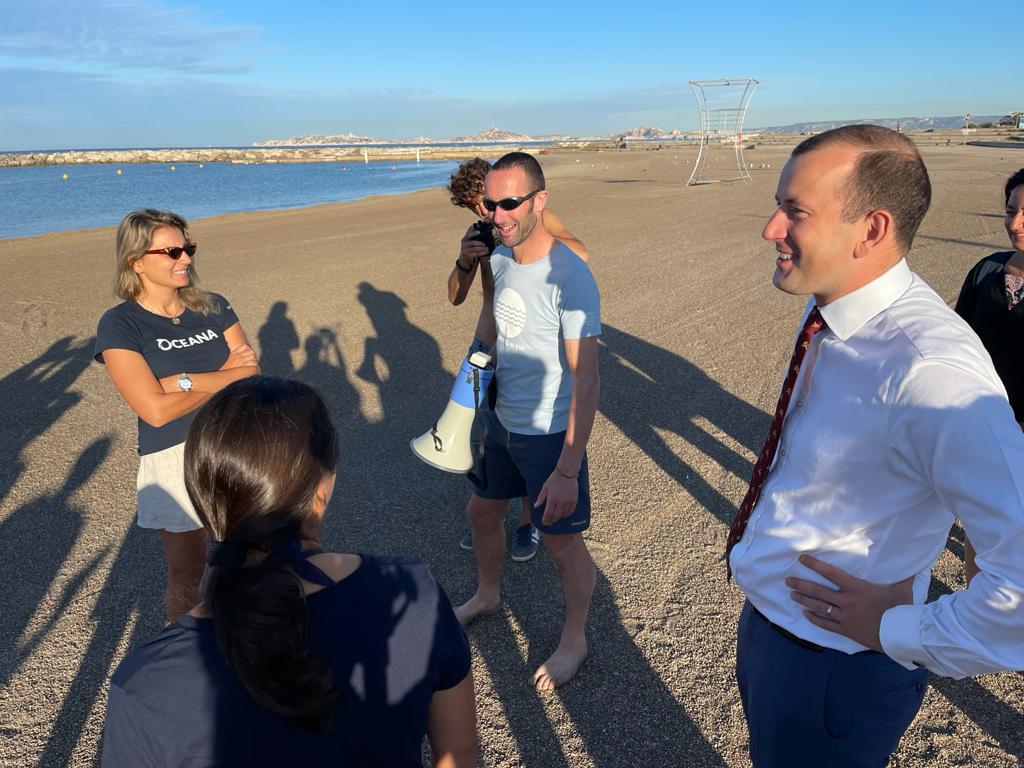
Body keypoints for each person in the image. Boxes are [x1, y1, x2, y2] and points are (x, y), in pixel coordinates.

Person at [726, 125, 1024, 767]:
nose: (771, 229)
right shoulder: (836, 320)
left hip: (836, 668)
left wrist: (901, 629)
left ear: (871, 229)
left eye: (794, 211)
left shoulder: (930, 369)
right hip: (775, 636)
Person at [102, 377, 477, 767]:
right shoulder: (413, 593)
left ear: (199, 494)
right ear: (322, 488)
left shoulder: (144, 683)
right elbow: (458, 752)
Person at [454, 152, 601, 690]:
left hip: (546, 435)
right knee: (480, 514)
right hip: (500, 426)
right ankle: (489, 595)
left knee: (561, 543)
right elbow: (492, 326)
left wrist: (566, 468)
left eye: (510, 202)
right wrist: (464, 399)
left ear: (541, 200)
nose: (498, 214)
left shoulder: (570, 275)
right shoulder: (499, 259)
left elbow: (586, 379)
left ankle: (575, 639)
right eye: (491, 203)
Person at [95, 209, 259, 622]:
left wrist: (178, 381)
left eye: (187, 248)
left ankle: (255, 647)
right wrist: (221, 377)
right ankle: (184, 658)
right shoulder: (120, 325)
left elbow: (251, 374)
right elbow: (152, 410)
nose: (185, 258)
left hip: (236, 441)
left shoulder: (214, 306)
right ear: (136, 261)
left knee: (254, 555)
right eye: (171, 251)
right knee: (188, 573)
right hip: (174, 455)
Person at [446, 157, 590, 562]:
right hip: (487, 341)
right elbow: (456, 295)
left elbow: (580, 252)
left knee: (528, 436)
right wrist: (464, 259)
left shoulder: (528, 219)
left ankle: (529, 524)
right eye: (477, 208)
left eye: (487, 203)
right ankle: (487, 514)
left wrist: (524, 247)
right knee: (486, 429)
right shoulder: (480, 232)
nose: (486, 214)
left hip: (528, 336)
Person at [954, 168, 1024, 583]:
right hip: (986, 429)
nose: (1015, 224)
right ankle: (977, 614)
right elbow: (958, 347)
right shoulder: (985, 272)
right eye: (1011, 210)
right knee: (982, 528)